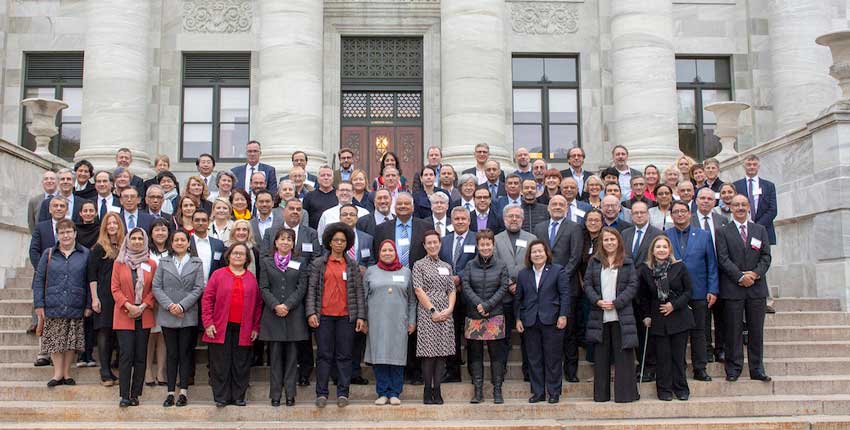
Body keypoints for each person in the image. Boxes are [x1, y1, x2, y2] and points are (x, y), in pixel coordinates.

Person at [306, 223, 367, 408]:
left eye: (343, 240)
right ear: (329, 242)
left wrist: (361, 317)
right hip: (323, 315)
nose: (339, 243)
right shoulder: (319, 263)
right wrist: (310, 313)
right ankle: (322, 393)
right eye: (336, 240)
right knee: (324, 355)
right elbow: (312, 290)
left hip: (346, 317)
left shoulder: (352, 265)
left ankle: (343, 392)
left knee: (344, 355)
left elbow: (358, 292)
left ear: (347, 243)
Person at [372, 192, 430, 385]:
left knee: (414, 326)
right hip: (390, 282)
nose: (403, 206)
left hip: (418, 282)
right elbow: (376, 254)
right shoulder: (382, 229)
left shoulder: (425, 227)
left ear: (413, 207)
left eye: (407, 204)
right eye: (400, 204)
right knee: (394, 326)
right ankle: (395, 368)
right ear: (394, 207)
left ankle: (413, 370)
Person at [715, 195, 772, 383]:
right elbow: (723, 259)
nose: (740, 208)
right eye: (736, 204)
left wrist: (754, 275)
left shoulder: (760, 230)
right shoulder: (723, 231)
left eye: (743, 205)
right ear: (730, 207)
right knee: (733, 330)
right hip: (733, 288)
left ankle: (757, 368)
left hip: (756, 289)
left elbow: (766, 257)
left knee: (756, 331)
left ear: (749, 207)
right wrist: (740, 276)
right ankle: (733, 368)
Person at [202, 242, 263, 407]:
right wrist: (208, 323)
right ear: (228, 255)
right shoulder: (218, 275)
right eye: (235, 253)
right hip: (220, 327)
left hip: (244, 328)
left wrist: (255, 327)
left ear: (247, 258)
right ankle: (221, 397)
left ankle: (238, 396)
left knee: (241, 364)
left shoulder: (251, 278)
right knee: (220, 364)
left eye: (242, 254)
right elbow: (207, 299)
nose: (238, 256)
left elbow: (258, 305)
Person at [32, 219, 91, 387]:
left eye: (69, 232)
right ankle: (57, 374)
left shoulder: (84, 254)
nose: (66, 235)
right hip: (53, 303)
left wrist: (88, 305)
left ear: (75, 234)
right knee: (56, 341)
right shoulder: (49, 254)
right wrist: (39, 304)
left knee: (71, 341)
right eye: (62, 232)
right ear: (58, 235)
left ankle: (67, 373)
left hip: (75, 302)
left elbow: (89, 281)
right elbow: (39, 279)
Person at [584, 227, 640, 403]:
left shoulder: (628, 262)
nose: (609, 243)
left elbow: (632, 286)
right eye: (606, 240)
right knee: (601, 357)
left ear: (618, 242)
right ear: (601, 242)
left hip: (621, 315)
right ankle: (601, 395)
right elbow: (587, 285)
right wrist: (597, 301)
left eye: (612, 240)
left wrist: (616, 303)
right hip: (599, 315)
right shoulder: (594, 262)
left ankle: (626, 395)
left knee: (624, 356)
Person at [666, 200, 718, 382]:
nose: (680, 215)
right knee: (677, 334)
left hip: (698, 291)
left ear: (690, 214)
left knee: (699, 332)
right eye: (676, 212)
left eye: (683, 211)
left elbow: (712, 264)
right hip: (675, 294)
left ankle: (700, 368)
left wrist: (713, 289)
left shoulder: (703, 235)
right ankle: (678, 367)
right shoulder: (665, 235)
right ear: (671, 215)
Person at [532, 195, 583, 382]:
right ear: (548, 208)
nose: (558, 207)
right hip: (543, 289)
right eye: (554, 204)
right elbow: (535, 254)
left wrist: (557, 278)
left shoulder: (575, 228)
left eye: (562, 204)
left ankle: (571, 371)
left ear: (567, 208)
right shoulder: (539, 228)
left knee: (568, 332)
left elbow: (575, 257)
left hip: (567, 286)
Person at [638, 235, 694, 401]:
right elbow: (644, 297)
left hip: (679, 316)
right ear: (653, 251)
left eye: (664, 247)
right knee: (662, 357)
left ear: (669, 250)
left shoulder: (680, 267)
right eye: (658, 247)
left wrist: (674, 305)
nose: (661, 250)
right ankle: (664, 390)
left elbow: (688, 291)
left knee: (678, 356)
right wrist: (646, 315)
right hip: (658, 319)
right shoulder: (646, 270)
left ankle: (681, 389)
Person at [152, 229, 204, 407]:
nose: (180, 243)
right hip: (168, 315)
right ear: (171, 244)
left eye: (183, 240)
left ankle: (183, 392)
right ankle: (170, 392)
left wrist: (182, 306)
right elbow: (157, 287)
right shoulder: (164, 261)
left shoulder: (197, 262)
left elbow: (198, 288)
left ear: (188, 243)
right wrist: (170, 306)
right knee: (172, 354)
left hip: (187, 314)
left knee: (185, 353)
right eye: (176, 240)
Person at [258, 228, 309, 407]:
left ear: (293, 243)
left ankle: (290, 394)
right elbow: (263, 287)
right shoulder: (266, 262)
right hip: (273, 316)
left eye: (289, 239)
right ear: (276, 242)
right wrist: (275, 306)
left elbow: (302, 287)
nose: (285, 242)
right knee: (275, 357)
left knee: (292, 357)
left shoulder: (300, 261)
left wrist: (287, 305)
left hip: (293, 315)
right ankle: (275, 394)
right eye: (282, 239)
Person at [515, 240, 570, 403]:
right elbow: (518, 298)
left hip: (552, 319)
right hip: (530, 321)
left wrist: (563, 315)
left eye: (540, 251)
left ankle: (553, 392)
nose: (537, 254)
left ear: (546, 253)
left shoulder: (557, 271)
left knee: (553, 358)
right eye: (534, 252)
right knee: (534, 358)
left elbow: (565, 295)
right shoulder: (523, 274)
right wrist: (518, 318)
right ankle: (538, 392)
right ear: (529, 255)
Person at [364, 240, 416, 406]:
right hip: (376, 321)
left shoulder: (406, 272)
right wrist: (363, 319)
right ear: (379, 253)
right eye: (384, 250)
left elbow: (412, 300)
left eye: (390, 250)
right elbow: (363, 298)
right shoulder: (371, 271)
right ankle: (382, 392)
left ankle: (395, 392)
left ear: (396, 253)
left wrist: (412, 320)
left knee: (397, 355)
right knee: (379, 356)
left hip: (399, 321)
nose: (387, 253)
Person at [111, 227, 157, 407]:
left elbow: (154, 288)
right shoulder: (119, 263)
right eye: (134, 238)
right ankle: (124, 395)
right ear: (128, 241)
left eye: (140, 239)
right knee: (126, 355)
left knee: (140, 356)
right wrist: (129, 305)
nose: (137, 241)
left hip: (144, 314)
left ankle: (135, 393)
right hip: (124, 314)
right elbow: (114, 288)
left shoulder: (151, 263)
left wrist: (143, 305)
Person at [462, 230, 509, 404]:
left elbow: (503, 287)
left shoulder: (501, 265)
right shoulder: (469, 265)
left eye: (488, 244)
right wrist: (479, 305)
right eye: (482, 244)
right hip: (474, 315)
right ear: (477, 246)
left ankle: (497, 390)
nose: (485, 247)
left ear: (493, 245)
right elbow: (466, 286)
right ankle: (478, 391)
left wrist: (488, 305)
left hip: (494, 314)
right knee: (475, 354)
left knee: (496, 354)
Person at [493, 205, 536, 382]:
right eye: (510, 216)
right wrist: (509, 283)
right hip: (503, 296)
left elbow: (535, 263)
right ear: (504, 219)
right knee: (502, 337)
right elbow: (495, 265)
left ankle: (528, 372)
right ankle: (500, 371)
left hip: (526, 295)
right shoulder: (495, 239)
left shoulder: (532, 239)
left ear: (523, 219)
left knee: (527, 336)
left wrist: (520, 284)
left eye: (518, 216)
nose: (514, 219)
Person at [412, 230, 456, 405]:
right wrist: (432, 310)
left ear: (440, 243)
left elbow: (451, 289)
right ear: (424, 246)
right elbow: (418, 289)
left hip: (445, 313)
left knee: (442, 353)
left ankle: (437, 390)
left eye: (435, 242)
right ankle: (426, 390)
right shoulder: (419, 265)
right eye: (428, 243)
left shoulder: (447, 266)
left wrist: (450, 308)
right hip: (427, 312)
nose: (432, 245)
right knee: (429, 354)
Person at [621, 201, 664, 381]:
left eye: (642, 213)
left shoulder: (657, 234)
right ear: (631, 215)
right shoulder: (625, 233)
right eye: (636, 213)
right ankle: (640, 363)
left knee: (649, 330)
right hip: (628, 290)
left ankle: (651, 366)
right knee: (635, 329)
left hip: (648, 288)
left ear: (648, 214)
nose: (639, 215)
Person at [439, 206, 477, 383]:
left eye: (463, 219)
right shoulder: (444, 241)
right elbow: (438, 263)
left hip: (470, 293)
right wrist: (449, 279)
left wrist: (459, 277)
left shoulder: (476, 239)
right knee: (450, 333)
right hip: (447, 295)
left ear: (469, 221)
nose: (460, 222)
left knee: (470, 333)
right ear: (451, 221)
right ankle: (452, 371)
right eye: (457, 219)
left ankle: (473, 371)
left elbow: (477, 263)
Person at [88, 212, 124, 385]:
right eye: (109, 224)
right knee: (104, 331)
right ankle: (104, 370)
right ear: (104, 227)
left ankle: (112, 369)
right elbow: (92, 275)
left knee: (116, 333)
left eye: (115, 223)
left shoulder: (124, 246)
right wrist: (94, 298)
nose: (112, 226)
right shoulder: (99, 248)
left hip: (121, 295)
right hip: (104, 295)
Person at [145, 220, 170, 387]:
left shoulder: (173, 251)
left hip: (168, 299)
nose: (160, 233)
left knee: (163, 335)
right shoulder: (145, 252)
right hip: (148, 298)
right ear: (151, 233)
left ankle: (161, 370)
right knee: (149, 335)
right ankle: (148, 370)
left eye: (163, 230)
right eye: (157, 230)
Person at [734, 154, 778, 246]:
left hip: (764, 230)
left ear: (758, 166)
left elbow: (773, 210)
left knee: (764, 259)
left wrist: (756, 227)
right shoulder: (736, 186)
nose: (751, 167)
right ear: (744, 166)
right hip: (742, 231)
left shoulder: (769, 186)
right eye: (749, 164)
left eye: (754, 164)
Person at [303, 166, 339, 230]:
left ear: (333, 179)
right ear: (318, 179)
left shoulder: (339, 195)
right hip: (314, 234)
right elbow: (304, 216)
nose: (326, 178)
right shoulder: (309, 196)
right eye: (323, 175)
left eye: (329, 175)